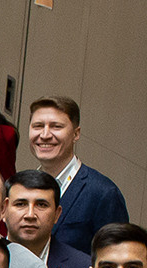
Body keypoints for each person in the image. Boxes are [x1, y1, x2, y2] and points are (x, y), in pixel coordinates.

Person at [23, 97, 128, 257]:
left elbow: (116, 258)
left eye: (56, 127)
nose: (44, 135)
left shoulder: (103, 193)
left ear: (76, 133)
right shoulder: (21, 187)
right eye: (38, 126)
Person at [1, 169, 95, 268]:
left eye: (41, 205)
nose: (30, 215)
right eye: (20, 204)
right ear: (4, 210)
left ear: (57, 214)